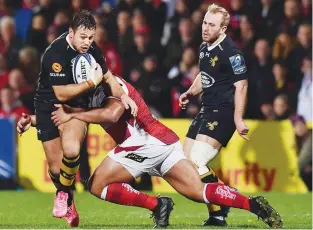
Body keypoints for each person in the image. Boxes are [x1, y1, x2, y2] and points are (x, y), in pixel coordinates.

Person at [17, 78, 283, 229]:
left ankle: (156, 205)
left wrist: (72, 113)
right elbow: (70, 117)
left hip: (145, 141)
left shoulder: (113, 87)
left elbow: (111, 113)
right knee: (199, 191)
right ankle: (253, 205)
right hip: (163, 142)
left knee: (98, 185)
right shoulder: (92, 90)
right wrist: (33, 119)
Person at [32, 10, 137, 227]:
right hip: (47, 106)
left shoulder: (93, 49)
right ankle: (68, 198)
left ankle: (62, 194)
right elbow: (60, 93)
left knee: (71, 151)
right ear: (71, 32)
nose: (87, 42)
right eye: (83, 37)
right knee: (55, 170)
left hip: (75, 109)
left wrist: (124, 95)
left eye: (91, 37)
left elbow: (107, 77)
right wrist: (91, 83)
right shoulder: (56, 53)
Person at [179, 4, 249, 226]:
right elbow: (204, 75)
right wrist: (190, 92)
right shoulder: (203, 46)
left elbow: (242, 86)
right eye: (205, 23)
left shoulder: (232, 52)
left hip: (224, 111)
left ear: (223, 29)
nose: (206, 28)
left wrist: (238, 118)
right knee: (187, 165)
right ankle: (217, 215)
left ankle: (227, 196)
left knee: (198, 160)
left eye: (212, 25)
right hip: (206, 108)